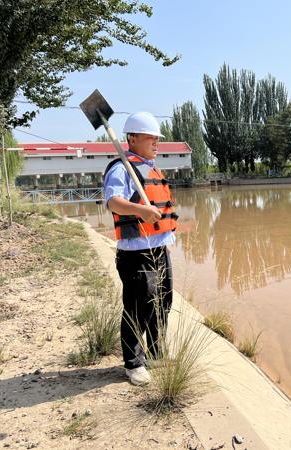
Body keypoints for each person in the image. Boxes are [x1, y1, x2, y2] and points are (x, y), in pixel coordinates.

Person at [103, 111, 178, 386]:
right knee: (138, 307)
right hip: (135, 253)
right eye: (151, 139)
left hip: (159, 248)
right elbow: (112, 201)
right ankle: (133, 363)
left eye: (158, 139)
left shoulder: (151, 167)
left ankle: (157, 353)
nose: (156, 143)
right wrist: (140, 210)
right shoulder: (121, 168)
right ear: (133, 139)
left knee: (163, 302)